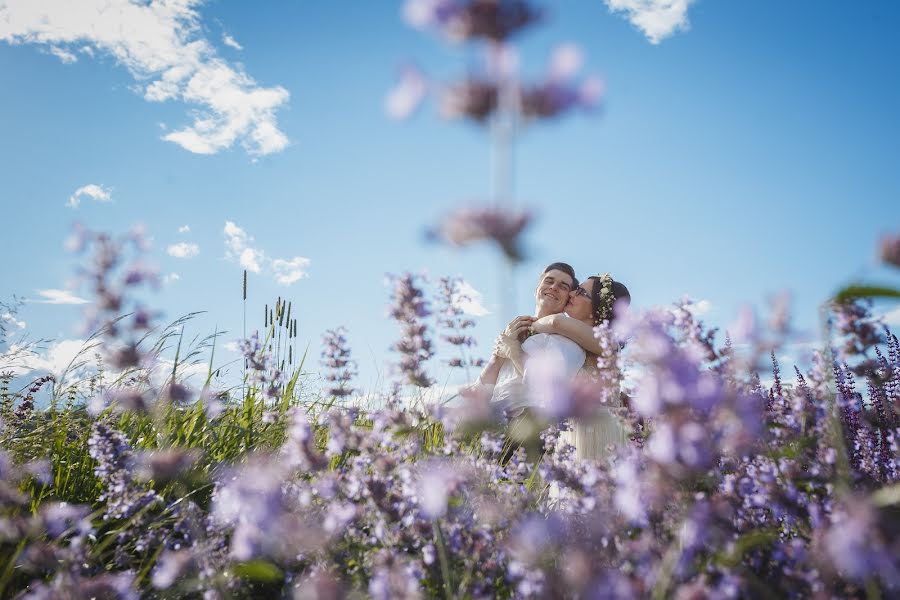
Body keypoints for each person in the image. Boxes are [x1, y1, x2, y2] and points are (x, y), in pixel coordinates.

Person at [490, 272, 632, 459]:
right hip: (572, 433)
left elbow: (556, 322)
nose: (572, 293)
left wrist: (525, 334)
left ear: (595, 308)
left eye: (581, 291)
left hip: (597, 435)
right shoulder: (575, 342)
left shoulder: (607, 342)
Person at [476, 262, 587, 413]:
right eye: (549, 281)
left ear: (568, 299)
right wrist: (497, 358)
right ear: (536, 289)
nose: (553, 287)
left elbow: (552, 391)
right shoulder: (515, 329)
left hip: (527, 426)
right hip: (493, 423)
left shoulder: (568, 338)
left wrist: (514, 352)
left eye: (563, 286)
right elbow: (481, 390)